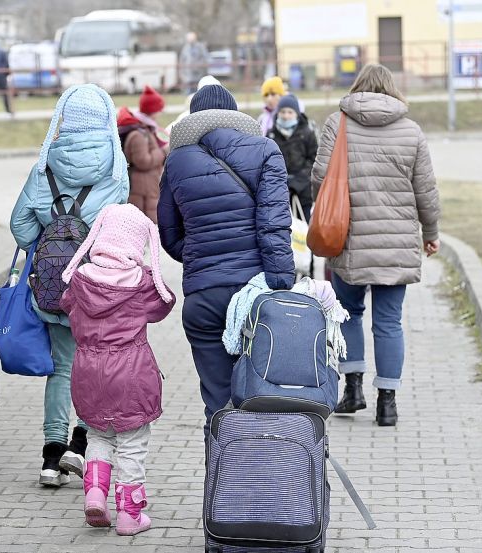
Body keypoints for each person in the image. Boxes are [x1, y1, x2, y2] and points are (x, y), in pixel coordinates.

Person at [10, 84, 130, 488]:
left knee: (62, 368)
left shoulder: (45, 163)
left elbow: (19, 225)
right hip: (96, 288)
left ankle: (49, 457)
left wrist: (48, 245)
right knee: (94, 366)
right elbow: (117, 230)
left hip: (53, 289)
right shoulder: (115, 166)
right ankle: (80, 447)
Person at [310, 64, 441, 428]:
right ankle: (388, 404)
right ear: (392, 90)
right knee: (389, 322)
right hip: (397, 242)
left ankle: (353, 391)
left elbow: (320, 179)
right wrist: (430, 232)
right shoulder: (411, 131)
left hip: (348, 238)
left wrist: (321, 219)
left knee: (349, 313)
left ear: (357, 89)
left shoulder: (339, 124)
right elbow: (426, 190)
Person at [158, 84, 293, 433]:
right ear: (234, 115)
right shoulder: (266, 151)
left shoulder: (176, 161)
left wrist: (201, 257)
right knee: (263, 398)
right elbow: (274, 224)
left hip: (204, 296)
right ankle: (263, 482)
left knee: (218, 405)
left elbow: (170, 236)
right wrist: (282, 284)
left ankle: (219, 484)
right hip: (257, 295)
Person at [60, 203, 175, 536]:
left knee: (98, 433)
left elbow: (66, 304)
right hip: (130, 373)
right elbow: (164, 304)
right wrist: (149, 270)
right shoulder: (139, 283)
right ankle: (130, 514)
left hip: (87, 371)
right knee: (132, 441)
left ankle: (95, 492)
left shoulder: (80, 279)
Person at [118, 85, 168, 222]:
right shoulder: (138, 135)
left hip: (147, 187)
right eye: (159, 109)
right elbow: (143, 162)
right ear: (153, 110)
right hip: (142, 191)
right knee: (145, 224)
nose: (161, 113)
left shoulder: (145, 129)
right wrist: (163, 152)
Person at [266, 94, 317, 220]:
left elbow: (314, 161)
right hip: (278, 191)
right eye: (283, 112)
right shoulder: (271, 135)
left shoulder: (307, 134)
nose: (286, 116)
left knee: (304, 228)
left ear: (297, 114)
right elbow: (267, 162)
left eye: (290, 112)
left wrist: (297, 182)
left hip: (303, 190)